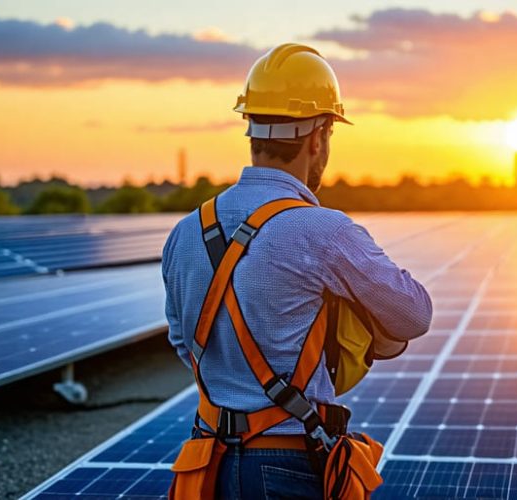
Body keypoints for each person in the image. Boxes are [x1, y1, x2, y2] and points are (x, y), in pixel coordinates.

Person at [161, 43, 433, 499]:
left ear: (252, 130)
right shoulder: (322, 230)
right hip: (287, 464)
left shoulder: (185, 231)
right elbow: (414, 316)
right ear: (319, 136)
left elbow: (181, 342)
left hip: (208, 465)